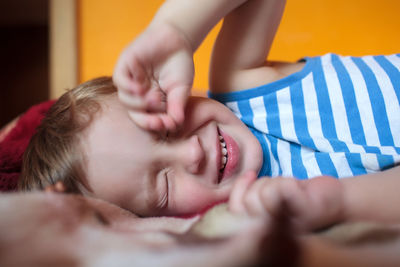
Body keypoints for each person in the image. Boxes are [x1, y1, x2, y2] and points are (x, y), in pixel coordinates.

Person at [19, 0, 400, 231]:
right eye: (164, 185)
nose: (191, 154)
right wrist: (338, 204)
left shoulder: (244, 85)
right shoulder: (266, 216)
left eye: (166, 128)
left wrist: (176, 29)